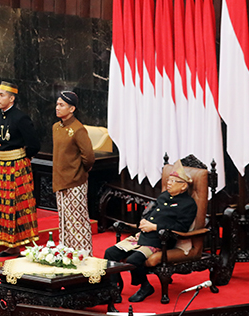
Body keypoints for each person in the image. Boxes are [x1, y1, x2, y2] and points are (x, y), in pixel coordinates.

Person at [104, 160, 198, 302]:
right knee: (110, 253)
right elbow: (150, 213)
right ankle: (113, 288)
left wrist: (155, 227)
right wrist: (143, 221)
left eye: (174, 181)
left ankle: (145, 286)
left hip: (161, 240)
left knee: (133, 260)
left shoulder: (188, 204)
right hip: (143, 235)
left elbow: (181, 228)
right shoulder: (164, 196)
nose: (169, 183)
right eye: (169, 180)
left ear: (183, 186)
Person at [0, 80, 40, 257]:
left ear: (11, 99)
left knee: (19, 205)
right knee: (3, 205)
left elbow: (34, 144)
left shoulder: (21, 118)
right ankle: (9, 244)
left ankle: (25, 243)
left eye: (1, 95)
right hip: (1, 165)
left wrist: (24, 157)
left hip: (17, 166)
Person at [52, 90, 95, 252]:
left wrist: (79, 172)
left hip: (75, 181)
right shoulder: (56, 127)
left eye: (61, 105)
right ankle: (66, 253)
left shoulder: (78, 129)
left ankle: (83, 255)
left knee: (77, 220)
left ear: (72, 109)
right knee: (63, 220)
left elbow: (89, 157)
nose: (57, 108)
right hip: (60, 180)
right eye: (57, 104)